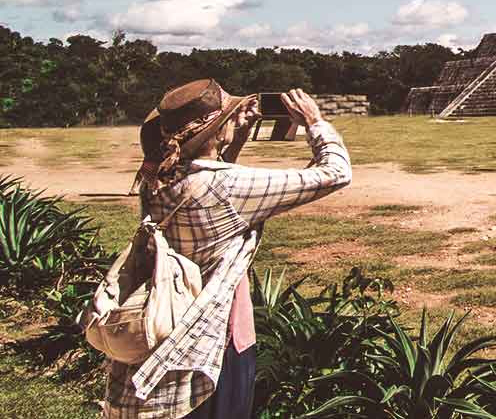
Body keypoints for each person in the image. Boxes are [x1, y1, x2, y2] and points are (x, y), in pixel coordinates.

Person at [104, 81, 352, 419]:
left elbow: (211, 177)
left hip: (167, 321)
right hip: (215, 333)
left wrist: (231, 140)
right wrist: (315, 122)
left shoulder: (157, 177)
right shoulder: (226, 186)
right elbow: (335, 173)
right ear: (216, 131)